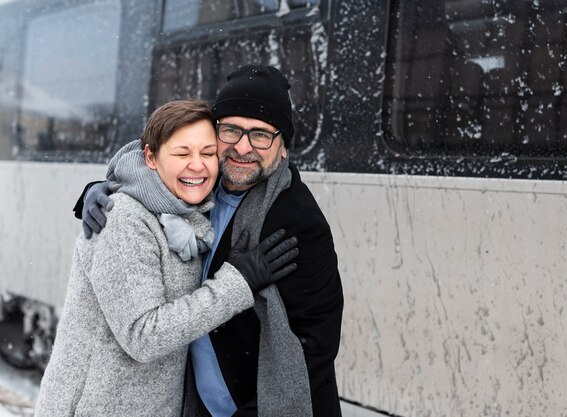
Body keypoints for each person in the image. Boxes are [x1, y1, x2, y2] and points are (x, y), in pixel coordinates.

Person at [80, 65, 344, 417]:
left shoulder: (297, 221)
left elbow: (316, 343)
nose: (242, 147)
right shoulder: (202, 188)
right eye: (231, 130)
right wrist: (98, 191)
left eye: (261, 135)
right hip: (199, 402)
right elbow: (151, 173)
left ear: (283, 149)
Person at [36, 99, 299, 417]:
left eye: (207, 153)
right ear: (150, 157)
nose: (198, 165)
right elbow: (143, 335)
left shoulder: (191, 215)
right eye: (182, 153)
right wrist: (237, 283)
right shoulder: (124, 220)